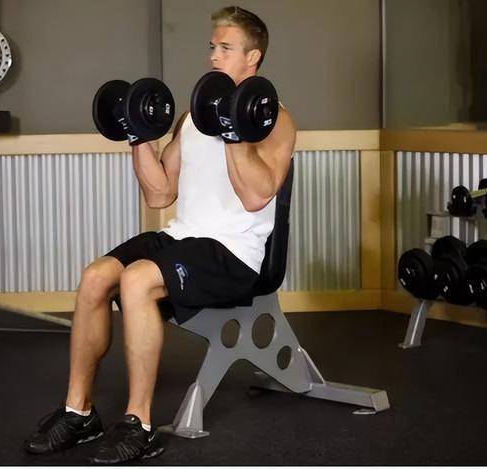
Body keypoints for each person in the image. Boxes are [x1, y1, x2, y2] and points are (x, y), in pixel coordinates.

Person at [23, 5, 296, 464]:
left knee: (136, 280)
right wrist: (138, 135)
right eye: (212, 47)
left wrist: (233, 134)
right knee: (95, 278)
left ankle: (140, 425)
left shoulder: (274, 118)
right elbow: (159, 194)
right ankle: (78, 412)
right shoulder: (191, 118)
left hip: (234, 252)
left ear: (253, 57)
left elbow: (256, 197)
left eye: (226, 48)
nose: (214, 56)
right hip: (183, 236)